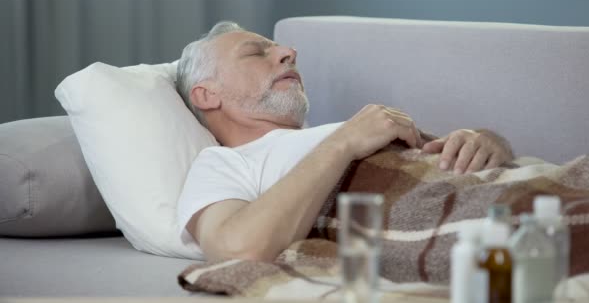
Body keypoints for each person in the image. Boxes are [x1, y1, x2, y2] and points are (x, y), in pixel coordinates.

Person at [175, 21, 514, 262]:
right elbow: (235, 249)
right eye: (255, 53)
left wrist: (485, 141)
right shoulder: (223, 162)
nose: (287, 52)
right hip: (494, 227)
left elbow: (445, 158)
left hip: (508, 192)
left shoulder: (325, 134)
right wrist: (344, 142)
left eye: (280, 48)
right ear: (207, 95)